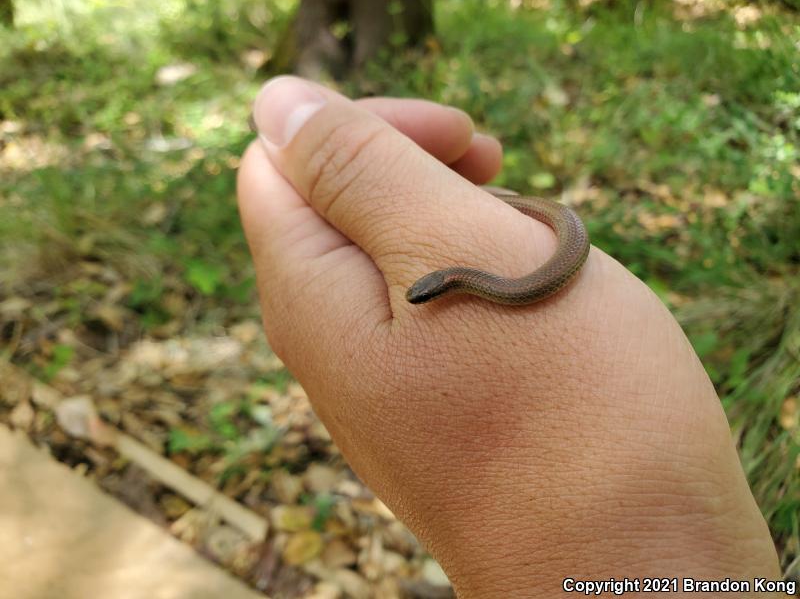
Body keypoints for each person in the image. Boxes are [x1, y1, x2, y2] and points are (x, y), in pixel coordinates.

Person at [237, 76, 781, 597]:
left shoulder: (511, 283)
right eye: (427, 297)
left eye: (425, 296)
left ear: (445, 288)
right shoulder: (477, 286)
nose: (422, 300)